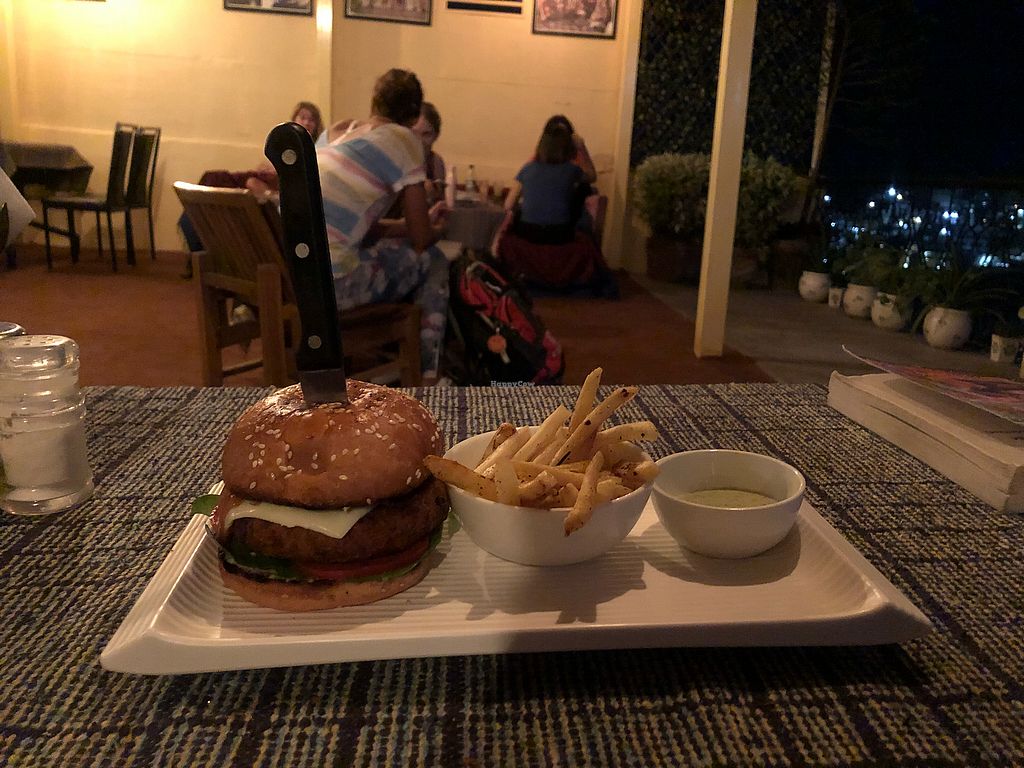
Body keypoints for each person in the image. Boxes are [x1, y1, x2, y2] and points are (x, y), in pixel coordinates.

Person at [318, 68, 450, 382]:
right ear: (414, 116)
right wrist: (438, 229)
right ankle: (427, 374)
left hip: (297, 275)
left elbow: (356, 229)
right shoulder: (404, 140)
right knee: (435, 260)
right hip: (334, 285)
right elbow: (421, 239)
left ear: (374, 102)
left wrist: (406, 226)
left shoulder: (336, 131)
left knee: (383, 252)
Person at [504, 124, 585, 245]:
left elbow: (508, 205)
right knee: (584, 189)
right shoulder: (571, 170)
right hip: (560, 233)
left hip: (528, 231)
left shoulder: (528, 169)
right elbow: (592, 176)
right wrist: (582, 148)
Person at [245, 101, 323, 197]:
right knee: (251, 182)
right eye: (303, 118)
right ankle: (274, 198)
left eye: (311, 120)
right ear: (294, 120)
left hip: (302, 185)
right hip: (280, 183)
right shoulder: (284, 141)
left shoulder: (319, 146)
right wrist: (267, 168)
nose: (306, 123)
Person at [411, 102, 446, 204]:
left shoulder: (436, 162)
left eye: (426, 134)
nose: (419, 141)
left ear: (436, 136)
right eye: (413, 134)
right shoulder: (394, 162)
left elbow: (440, 202)